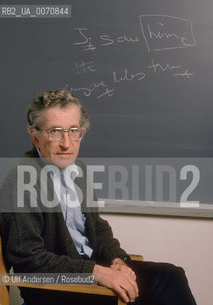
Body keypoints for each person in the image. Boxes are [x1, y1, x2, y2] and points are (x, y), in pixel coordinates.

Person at [0, 89, 197, 305]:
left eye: (73, 131)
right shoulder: (21, 180)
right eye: (55, 132)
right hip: (58, 288)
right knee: (136, 299)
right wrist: (96, 273)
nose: (67, 143)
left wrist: (118, 260)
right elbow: (29, 260)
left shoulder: (79, 170)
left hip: (90, 271)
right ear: (35, 136)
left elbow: (96, 226)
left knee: (171, 276)